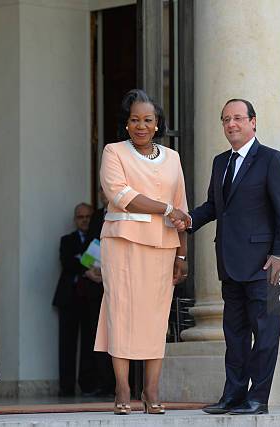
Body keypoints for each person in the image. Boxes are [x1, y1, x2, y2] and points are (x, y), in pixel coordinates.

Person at [186, 99, 280, 415]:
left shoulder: (271, 160)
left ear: (253, 122)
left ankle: (257, 398)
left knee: (265, 334)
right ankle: (233, 395)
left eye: (237, 118)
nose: (231, 124)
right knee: (234, 336)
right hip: (230, 264)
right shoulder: (221, 162)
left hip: (266, 265)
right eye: (225, 119)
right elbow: (213, 206)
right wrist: (188, 219)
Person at [94, 89, 189, 415]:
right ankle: (123, 388)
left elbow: (181, 209)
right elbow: (121, 194)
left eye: (148, 120)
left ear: (157, 123)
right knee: (121, 313)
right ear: (126, 123)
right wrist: (164, 208)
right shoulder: (114, 151)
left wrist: (182, 254)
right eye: (135, 119)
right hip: (122, 242)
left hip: (162, 247)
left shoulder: (173, 158)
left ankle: (151, 390)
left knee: (155, 318)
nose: (141, 125)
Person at [52, 202, 98, 397]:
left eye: (88, 216)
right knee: (67, 345)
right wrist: (85, 269)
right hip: (69, 298)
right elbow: (67, 263)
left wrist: (80, 262)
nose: (85, 220)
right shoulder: (67, 240)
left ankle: (88, 385)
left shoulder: (96, 240)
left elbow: (93, 261)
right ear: (75, 219)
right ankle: (66, 387)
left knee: (89, 344)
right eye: (81, 217)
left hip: (90, 298)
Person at [82, 187, 115, 397]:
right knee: (99, 335)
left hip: (118, 281)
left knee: (119, 334)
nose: (104, 194)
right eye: (101, 191)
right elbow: (90, 245)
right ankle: (104, 383)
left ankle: (123, 383)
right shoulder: (96, 216)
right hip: (96, 284)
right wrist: (89, 271)